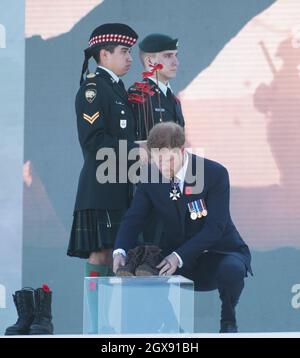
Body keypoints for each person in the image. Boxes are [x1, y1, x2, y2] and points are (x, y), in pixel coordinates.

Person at [113, 122, 252, 333]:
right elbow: (133, 219)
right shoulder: (150, 178)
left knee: (232, 270)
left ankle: (228, 321)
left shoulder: (214, 173)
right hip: (179, 258)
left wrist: (178, 256)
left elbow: (215, 228)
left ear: (182, 151)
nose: (163, 166)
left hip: (218, 252)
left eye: (169, 159)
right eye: (157, 160)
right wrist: (119, 250)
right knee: (143, 271)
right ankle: (173, 329)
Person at [67, 23, 141, 333]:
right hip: (101, 184)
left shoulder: (118, 90)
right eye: (124, 51)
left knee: (118, 254)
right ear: (103, 53)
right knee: (101, 253)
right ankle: (96, 326)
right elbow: (94, 143)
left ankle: (112, 325)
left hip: (123, 184)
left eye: (130, 52)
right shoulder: (93, 89)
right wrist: (138, 149)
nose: (130, 58)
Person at [129, 33, 185, 140]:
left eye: (175, 55)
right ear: (150, 61)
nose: (176, 62)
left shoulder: (173, 99)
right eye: (168, 56)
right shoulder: (139, 94)